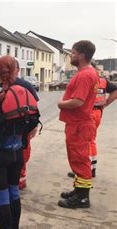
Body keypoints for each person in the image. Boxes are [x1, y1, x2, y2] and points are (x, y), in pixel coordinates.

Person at [0, 55, 40, 229]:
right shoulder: (25, 88)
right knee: (14, 191)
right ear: (15, 70)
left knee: (1, 196)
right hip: (17, 152)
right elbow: (33, 117)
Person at [58, 40, 100, 209]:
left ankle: (82, 198)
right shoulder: (89, 72)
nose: (71, 56)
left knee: (80, 160)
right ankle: (78, 190)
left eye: (73, 53)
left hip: (79, 125)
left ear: (81, 56)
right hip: (79, 124)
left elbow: (78, 101)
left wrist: (61, 104)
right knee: (77, 159)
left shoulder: (84, 75)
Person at [0, 59, 40, 190]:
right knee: (21, 157)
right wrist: (33, 127)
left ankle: (5, 183)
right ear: (16, 70)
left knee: (1, 159)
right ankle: (20, 182)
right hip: (23, 131)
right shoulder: (26, 86)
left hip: (1, 134)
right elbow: (33, 108)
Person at [67, 64, 116, 178]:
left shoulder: (86, 79)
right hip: (98, 112)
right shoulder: (103, 81)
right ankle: (91, 168)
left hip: (87, 113)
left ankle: (84, 169)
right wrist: (106, 103)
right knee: (91, 140)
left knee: (83, 141)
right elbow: (115, 91)